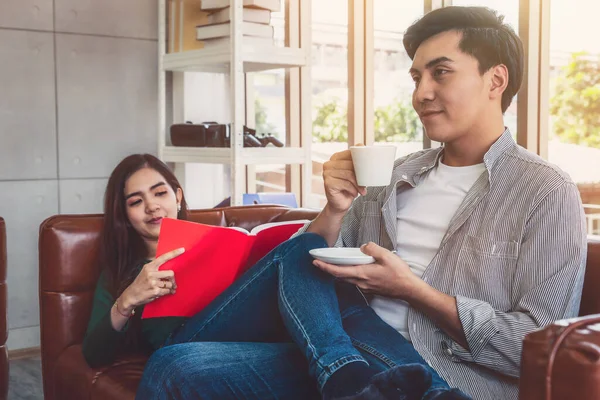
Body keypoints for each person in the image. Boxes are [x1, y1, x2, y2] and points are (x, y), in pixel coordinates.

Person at [85, 153, 468, 400]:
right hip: (188, 344)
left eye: (159, 193)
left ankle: (432, 394)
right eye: (136, 201)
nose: (152, 206)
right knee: (305, 254)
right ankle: (346, 379)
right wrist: (129, 299)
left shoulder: (210, 242)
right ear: (125, 213)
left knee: (323, 277)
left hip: (253, 343)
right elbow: (94, 353)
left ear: (178, 195)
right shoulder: (125, 269)